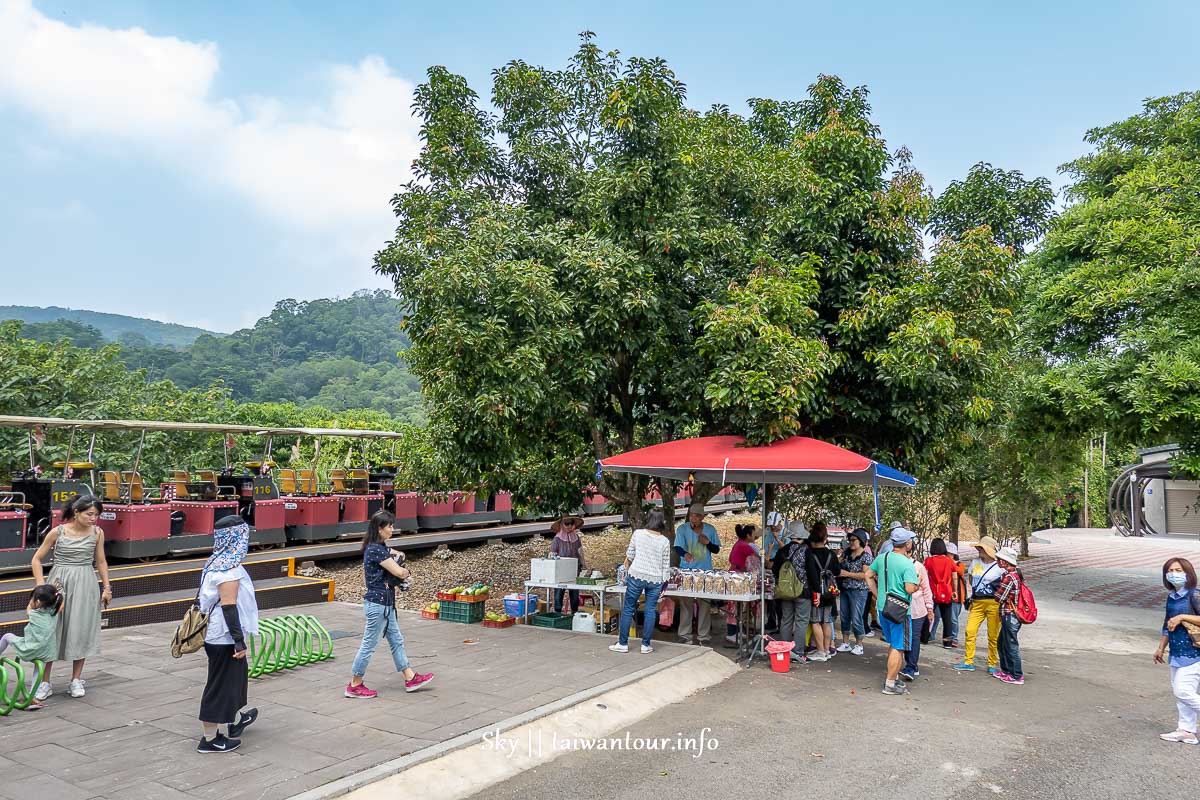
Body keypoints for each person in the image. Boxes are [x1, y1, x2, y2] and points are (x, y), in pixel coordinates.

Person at [30, 496, 111, 701]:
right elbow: (37, 559)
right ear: (76, 512)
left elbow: (101, 561)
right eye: (89, 514)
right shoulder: (58, 532)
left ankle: (76, 679)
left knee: (80, 628)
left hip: (85, 582)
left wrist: (107, 588)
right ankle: (45, 682)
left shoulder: (97, 533)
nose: (94, 518)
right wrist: (41, 587)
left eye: (97, 515)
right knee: (52, 630)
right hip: (59, 583)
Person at [346, 511, 434, 699]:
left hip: (385, 604)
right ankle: (354, 684)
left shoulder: (379, 547)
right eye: (390, 526)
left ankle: (410, 678)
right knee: (368, 644)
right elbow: (399, 572)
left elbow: (397, 553)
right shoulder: (375, 550)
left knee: (396, 640)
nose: (392, 529)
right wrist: (406, 571)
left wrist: (399, 556)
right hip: (378, 605)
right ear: (380, 529)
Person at [196, 516, 260, 753]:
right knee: (220, 686)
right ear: (236, 538)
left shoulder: (216, 561)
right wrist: (239, 642)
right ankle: (209, 739)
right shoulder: (227, 569)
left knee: (233, 683)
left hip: (220, 636)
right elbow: (229, 607)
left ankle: (234, 721)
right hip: (223, 638)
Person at [866, 527, 919, 696]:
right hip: (900, 611)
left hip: (883, 607)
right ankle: (890, 684)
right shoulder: (907, 564)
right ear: (907, 543)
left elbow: (868, 575)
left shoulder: (883, 558)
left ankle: (893, 677)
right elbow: (910, 588)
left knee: (893, 643)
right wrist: (917, 585)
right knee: (899, 646)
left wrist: (877, 593)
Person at [610, 510, 672, 654]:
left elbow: (630, 555)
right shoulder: (665, 541)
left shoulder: (638, 534)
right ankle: (645, 645)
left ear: (648, 519)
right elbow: (665, 565)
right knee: (650, 611)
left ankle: (623, 643)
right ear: (661, 522)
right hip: (655, 580)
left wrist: (624, 571)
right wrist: (665, 584)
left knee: (628, 608)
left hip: (636, 576)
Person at [1155, 557, 1200, 744]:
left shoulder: (1195, 594)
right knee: (1180, 692)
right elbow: (1167, 624)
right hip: (1176, 651)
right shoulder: (1172, 596)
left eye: (1178, 570)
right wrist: (1160, 647)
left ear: (1188, 573)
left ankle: (1187, 729)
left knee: (1183, 691)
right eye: (1170, 570)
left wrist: (1182, 616)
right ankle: (1186, 730)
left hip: (1194, 653)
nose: (1174, 573)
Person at [0, 585, 64, 711]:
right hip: (46, 652)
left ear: (38, 602)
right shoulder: (54, 612)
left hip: (30, 649)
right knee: (37, 670)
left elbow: (29, 608)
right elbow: (60, 605)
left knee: (7, 636)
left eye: (32, 598)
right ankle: (32, 697)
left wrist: (32, 604)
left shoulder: (35, 614)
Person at [954, 535, 1004, 674]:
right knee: (970, 631)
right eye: (979, 547)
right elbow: (971, 579)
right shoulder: (975, 562)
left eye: (982, 548)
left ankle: (992, 663)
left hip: (994, 603)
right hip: (977, 602)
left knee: (993, 635)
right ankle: (968, 661)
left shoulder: (999, 566)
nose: (979, 550)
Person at [674, 503, 722, 645]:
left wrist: (707, 542)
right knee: (686, 604)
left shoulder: (710, 529)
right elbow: (677, 547)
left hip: (705, 571)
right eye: (691, 516)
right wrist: (685, 554)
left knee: (705, 604)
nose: (693, 519)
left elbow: (716, 549)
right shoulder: (682, 529)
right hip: (687, 571)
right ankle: (684, 634)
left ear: (702, 517)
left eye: (696, 516)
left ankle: (703, 636)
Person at [773, 521, 811, 663]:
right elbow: (812, 572)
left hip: (785, 592)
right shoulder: (806, 550)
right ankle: (798, 653)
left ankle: (783, 650)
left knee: (786, 620)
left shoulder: (783, 550)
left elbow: (775, 570)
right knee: (801, 621)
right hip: (803, 591)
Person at [804, 522, 840, 662]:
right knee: (826, 620)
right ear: (825, 537)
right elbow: (837, 571)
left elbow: (810, 574)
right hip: (830, 591)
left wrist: (817, 589)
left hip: (816, 592)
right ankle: (827, 650)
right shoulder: (831, 554)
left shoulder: (810, 554)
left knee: (815, 621)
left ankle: (820, 651)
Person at [836, 528, 873, 655]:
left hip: (859, 591)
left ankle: (859, 644)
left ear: (861, 541)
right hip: (845, 589)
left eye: (854, 540)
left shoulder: (866, 557)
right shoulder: (846, 554)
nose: (851, 542)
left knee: (857, 617)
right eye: (850, 540)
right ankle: (845, 642)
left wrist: (847, 574)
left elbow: (865, 575)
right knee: (844, 616)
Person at [993, 546, 1026, 686]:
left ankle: (1016, 675)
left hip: (1009, 615)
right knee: (1002, 643)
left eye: (999, 559)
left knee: (1011, 645)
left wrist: (994, 591)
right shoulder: (1014, 575)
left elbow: (999, 597)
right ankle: (1006, 671)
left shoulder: (1009, 578)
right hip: (1010, 615)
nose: (998, 561)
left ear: (1006, 562)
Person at [900, 546, 934, 681]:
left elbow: (926, 589)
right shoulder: (898, 566)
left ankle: (911, 666)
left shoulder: (919, 567)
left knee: (913, 638)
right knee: (904, 638)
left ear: (910, 552)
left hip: (917, 610)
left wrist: (929, 608)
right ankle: (912, 665)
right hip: (901, 609)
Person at [924, 538, 962, 648]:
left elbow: (925, 575)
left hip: (932, 592)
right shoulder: (949, 561)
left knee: (929, 614)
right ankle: (947, 642)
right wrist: (955, 591)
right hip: (947, 591)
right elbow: (954, 577)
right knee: (947, 618)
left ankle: (925, 637)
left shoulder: (929, 561)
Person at [549, 516, 586, 614]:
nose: (569, 526)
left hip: (574, 569)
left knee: (574, 592)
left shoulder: (576, 537)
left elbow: (580, 551)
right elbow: (552, 553)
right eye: (567, 523)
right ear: (562, 525)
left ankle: (574, 612)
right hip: (560, 570)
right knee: (559, 592)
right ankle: (557, 612)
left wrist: (584, 564)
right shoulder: (557, 539)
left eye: (571, 523)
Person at [762, 512, 786, 633]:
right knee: (769, 597)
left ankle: (782, 624)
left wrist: (777, 538)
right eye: (771, 526)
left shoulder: (786, 533)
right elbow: (766, 551)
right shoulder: (767, 535)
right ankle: (771, 621)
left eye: (774, 526)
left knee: (780, 598)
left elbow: (787, 550)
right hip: (769, 565)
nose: (772, 528)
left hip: (782, 567)